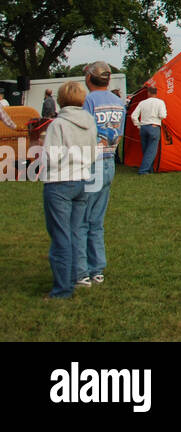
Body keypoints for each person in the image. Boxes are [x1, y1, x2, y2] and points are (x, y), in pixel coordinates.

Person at [38, 81, 97, 300]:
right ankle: (76, 275)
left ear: (61, 99)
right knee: (75, 232)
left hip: (59, 182)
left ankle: (62, 289)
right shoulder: (89, 121)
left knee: (60, 236)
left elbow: (51, 157)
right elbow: (93, 152)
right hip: (81, 180)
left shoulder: (58, 125)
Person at [79, 61, 126, 287]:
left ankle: (82, 270)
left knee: (82, 218)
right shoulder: (118, 102)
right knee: (97, 220)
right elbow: (120, 134)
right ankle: (97, 268)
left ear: (89, 78)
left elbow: (84, 132)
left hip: (92, 162)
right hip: (109, 162)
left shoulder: (88, 101)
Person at [131, 83, 168, 174]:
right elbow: (162, 115)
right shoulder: (160, 102)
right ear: (156, 93)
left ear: (148, 93)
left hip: (143, 127)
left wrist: (139, 125)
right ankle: (143, 170)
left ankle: (149, 169)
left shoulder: (142, 103)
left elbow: (133, 116)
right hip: (154, 126)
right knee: (151, 150)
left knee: (146, 149)